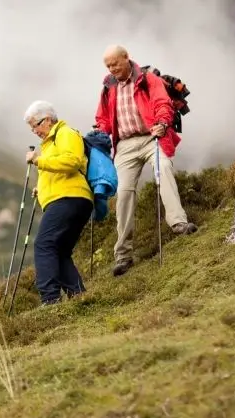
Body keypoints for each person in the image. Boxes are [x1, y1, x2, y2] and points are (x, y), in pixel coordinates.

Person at [94, 44, 197, 277]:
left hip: (152, 136)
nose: (112, 69)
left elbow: (162, 103)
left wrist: (162, 122)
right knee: (123, 192)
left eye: (115, 64)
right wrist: (98, 134)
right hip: (125, 145)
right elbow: (103, 119)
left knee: (164, 168)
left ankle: (178, 223)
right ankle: (123, 255)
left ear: (126, 58)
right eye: (108, 66)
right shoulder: (108, 87)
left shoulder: (147, 79)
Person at [23, 100, 94, 306]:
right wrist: (41, 188)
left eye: (35, 125)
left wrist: (38, 161)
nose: (34, 131)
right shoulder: (49, 144)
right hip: (68, 198)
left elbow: (72, 161)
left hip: (69, 198)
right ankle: (79, 297)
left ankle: (50, 299)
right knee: (60, 250)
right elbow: (57, 170)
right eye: (31, 127)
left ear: (47, 119)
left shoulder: (66, 133)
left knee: (44, 244)